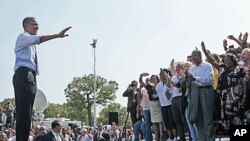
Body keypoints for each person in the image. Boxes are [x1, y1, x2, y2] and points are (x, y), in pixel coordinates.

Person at [13, 17, 71, 141]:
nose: (37, 28)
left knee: (27, 114)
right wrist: (57, 35)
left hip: (31, 75)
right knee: (23, 112)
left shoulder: (31, 44)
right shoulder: (23, 37)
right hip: (24, 74)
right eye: (34, 25)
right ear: (26, 26)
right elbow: (39, 39)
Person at [187, 47, 215, 141]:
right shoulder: (191, 69)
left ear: (200, 56)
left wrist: (195, 79)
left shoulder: (207, 66)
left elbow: (209, 80)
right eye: (191, 56)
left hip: (206, 91)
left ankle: (210, 139)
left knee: (207, 119)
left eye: (194, 55)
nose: (192, 58)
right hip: (195, 94)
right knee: (198, 120)